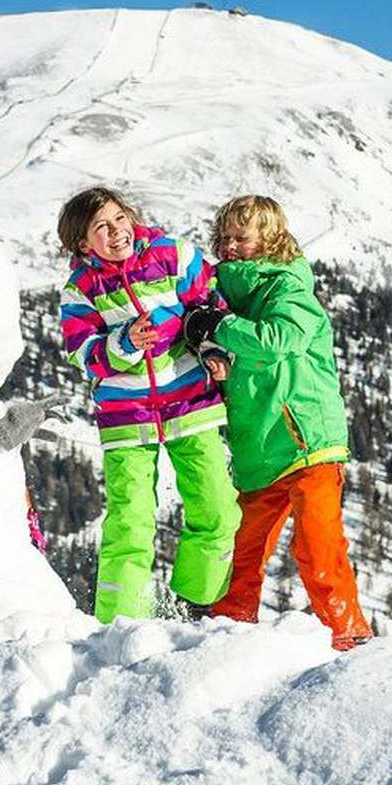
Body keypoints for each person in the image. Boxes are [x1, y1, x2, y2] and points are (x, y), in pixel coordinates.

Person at [181, 195, 372, 649]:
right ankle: (229, 625)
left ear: (269, 239)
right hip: (258, 446)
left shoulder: (289, 287)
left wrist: (217, 327)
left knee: (317, 543)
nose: (229, 246)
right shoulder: (226, 296)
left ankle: (348, 632)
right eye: (223, 237)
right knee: (243, 547)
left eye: (241, 237)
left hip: (306, 439)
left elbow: (277, 339)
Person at [57, 186, 240, 623]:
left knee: (216, 506)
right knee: (130, 520)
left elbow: (211, 305)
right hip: (126, 417)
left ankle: (199, 602)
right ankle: (120, 621)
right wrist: (124, 344)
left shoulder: (173, 255)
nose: (116, 231)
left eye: (119, 218)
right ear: (84, 243)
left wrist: (213, 351)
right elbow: (83, 352)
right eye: (101, 227)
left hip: (191, 401)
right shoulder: (80, 289)